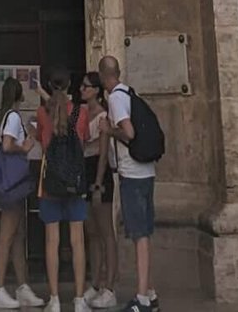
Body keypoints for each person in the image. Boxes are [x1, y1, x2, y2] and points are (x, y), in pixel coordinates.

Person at [100, 55, 156, 312]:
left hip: (132, 174)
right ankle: (151, 293)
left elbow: (129, 133)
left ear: (103, 75)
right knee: (142, 232)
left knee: (139, 235)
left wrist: (108, 129)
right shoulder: (129, 93)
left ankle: (142, 298)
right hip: (147, 172)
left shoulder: (115, 98)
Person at [37, 71, 89, 312]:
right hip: (74, 183)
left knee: (52, 241)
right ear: (70, 85)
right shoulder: (82, 112)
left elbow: (42, 141)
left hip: (51, 184)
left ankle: (55, 299)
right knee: (77, 241)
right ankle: (79, 298)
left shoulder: (42, 113)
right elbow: (84, 140)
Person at [0, 74, 42, 310]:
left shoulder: (2, 117)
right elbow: (8, 145)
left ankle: (22, 287)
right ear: (19, 96)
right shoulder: (12, 117)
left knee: (18, 235)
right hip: (14, 183)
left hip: (10, 183)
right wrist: (26, 147)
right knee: (7, 236)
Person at [78, 71, 118, 309]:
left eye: (85, 86)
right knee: (91, 230)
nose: (81, 89)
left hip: (98, 172)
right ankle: (94, 281)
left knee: (106, 232)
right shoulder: (82, 113)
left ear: (95, 90)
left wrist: (98, 183)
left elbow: (102, 152)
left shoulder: (103, 116)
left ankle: (110, 285)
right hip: (85, 168)